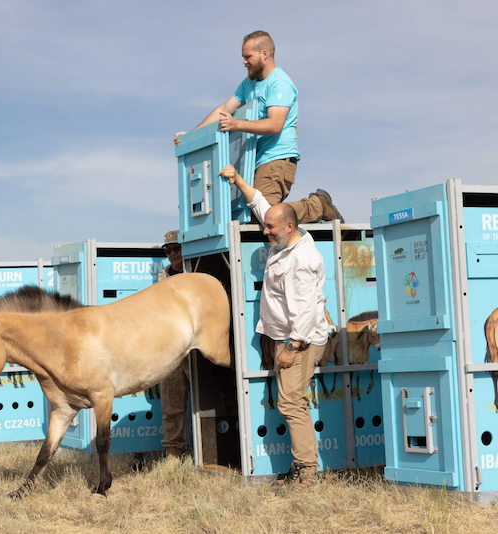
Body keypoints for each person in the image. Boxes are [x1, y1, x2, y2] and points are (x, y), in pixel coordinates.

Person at [219, 164, 328, 490]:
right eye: (266, 227)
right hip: (286, 336)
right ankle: (301, 467)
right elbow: (261, 204)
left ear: (290, 226)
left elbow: (305, 310)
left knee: (292, 403)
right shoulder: (285, 234)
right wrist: (237, 179)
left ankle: (307, 474)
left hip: (300, 340)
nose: (264, 231)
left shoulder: (302, 260)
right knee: (290, 401)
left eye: (270, 229)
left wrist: (293, 347)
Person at [174, 30, 343, 224]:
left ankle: (317, 205)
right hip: (254, 160)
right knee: (247, 215)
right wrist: (191, 136)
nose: (244, 62)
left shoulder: (280, 84)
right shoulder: (249, 83)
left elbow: (275, 124)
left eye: (248, 57)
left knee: (266, 214)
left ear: (264, 54)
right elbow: (224, 109)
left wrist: (236, 124)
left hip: (277, 158)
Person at [157, 230, 190, 458]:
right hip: (172, 349)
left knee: (212, 397)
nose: (172, 254)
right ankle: (173, 453)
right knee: (171, 403)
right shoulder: (163, 278)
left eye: (176, 249)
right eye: (168, 251)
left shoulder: (197, 272)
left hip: (200, 348)